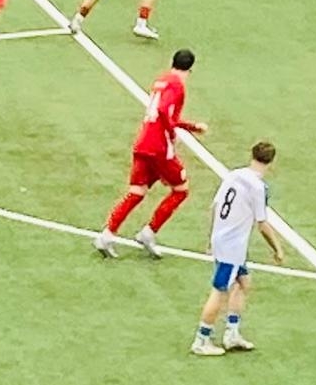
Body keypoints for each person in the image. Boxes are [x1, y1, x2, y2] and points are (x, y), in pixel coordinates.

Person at [93, 50, 206, 258]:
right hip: (159, 148)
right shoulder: (177, 85)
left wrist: (191, 126)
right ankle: (149, 232)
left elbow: (162, 114)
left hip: (144, 142)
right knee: (181, 189)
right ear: (190, 69)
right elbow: (163, 111)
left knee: (137, 191)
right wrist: (172, 133)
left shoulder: (161, 81)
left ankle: (106, 235)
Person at [192, 142, 286, 356]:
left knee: (244, 282)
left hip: (222, 239)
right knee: (219, 290)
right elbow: (262, 224)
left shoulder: (234, 175)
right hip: (232, 248)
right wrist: (277, 248)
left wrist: (210, 237)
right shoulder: (258, 187)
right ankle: (201, 339)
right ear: (271, 162)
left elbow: (215, 206)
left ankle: (232, 333)